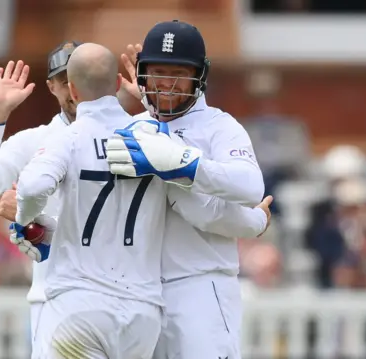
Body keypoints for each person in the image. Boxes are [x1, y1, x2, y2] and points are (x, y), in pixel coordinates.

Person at [13, 43, 272, 359]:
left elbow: (32, 186)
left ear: (73, 90)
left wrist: (26, 218)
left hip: (79, 303)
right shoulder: (151, 139)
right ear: (118, 84)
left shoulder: (68, 138)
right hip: (142, 312)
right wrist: (256, 221)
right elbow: (202, 211)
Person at [106, 20, 266, 358]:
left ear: (199, 77)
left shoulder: (219, 126)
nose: (165, 84)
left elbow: (250, 186)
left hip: (201, 286)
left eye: (177, 74)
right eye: (157, 72)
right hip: (138, 293)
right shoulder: (132, 129)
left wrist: (184, 165)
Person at [0, 41, 80, 353]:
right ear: (51, 87)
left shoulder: (127, 135)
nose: (74, 88)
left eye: (81, 76)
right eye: (65, 80)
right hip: (54, 297)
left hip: (125, 298)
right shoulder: (34, 141)